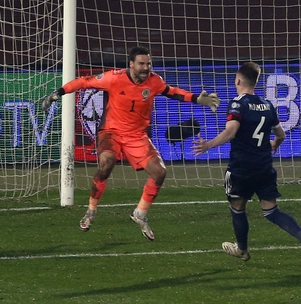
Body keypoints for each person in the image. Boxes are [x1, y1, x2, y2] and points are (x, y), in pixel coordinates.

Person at [40, 46, 220, 241]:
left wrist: (196, 99)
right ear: (131, 64)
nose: (146, 68)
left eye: (148, 64)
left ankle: (140, 213)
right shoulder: (114, 78)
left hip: (136, 136)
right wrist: (57, 93)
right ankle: (91, 210)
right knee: (107, 162)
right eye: (142, 64)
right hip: (111, 132)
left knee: (160, 172)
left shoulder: (154, 81)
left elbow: (171, 92)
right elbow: (84, 82)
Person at [193, 62, 301, 270]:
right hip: (264, 167)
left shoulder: (237, 103)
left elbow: (231, 131)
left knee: (237, 208)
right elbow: (281, 134)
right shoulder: (267, 105)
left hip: (241, 168)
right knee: (272, 211)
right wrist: (273, 145)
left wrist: (208, 145)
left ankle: (242, 250)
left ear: (237, 80)